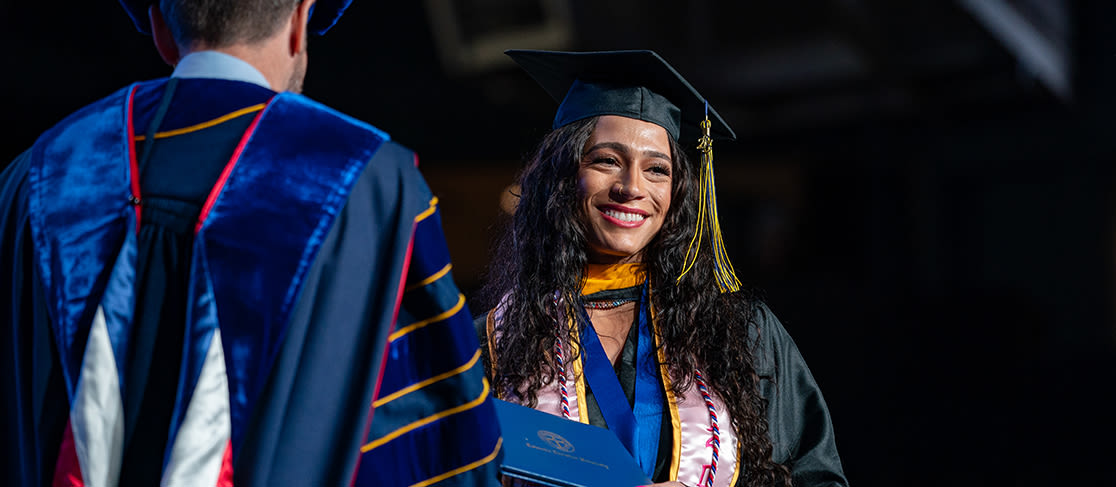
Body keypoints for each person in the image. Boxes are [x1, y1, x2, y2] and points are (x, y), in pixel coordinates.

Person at [0, 1, 501, 486]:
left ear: (160, 30)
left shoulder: (37, 178)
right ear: (300, 21)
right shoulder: (371, 186)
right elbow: (437, 442)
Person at [474, 49, 848, 487]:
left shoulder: (740, 335)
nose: (632, 187)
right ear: (561, 176)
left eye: (656, 169)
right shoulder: (495, 344)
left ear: (677, 193)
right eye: (606, 160)